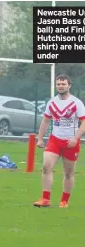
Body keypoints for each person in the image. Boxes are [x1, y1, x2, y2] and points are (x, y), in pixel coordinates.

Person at [34, 74, 85, 208]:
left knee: (68, 173)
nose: (61, 86)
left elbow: (83, 122)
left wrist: (75, 138)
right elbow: (46, 120)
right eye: (58, 84)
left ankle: (64, 201)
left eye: (63, 84)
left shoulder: (76, 103)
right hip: (55, 140)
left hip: (71, 142)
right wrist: (40, 138)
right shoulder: (52, 102)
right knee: (46, 167)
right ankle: (45, 199)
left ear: (69, 85)